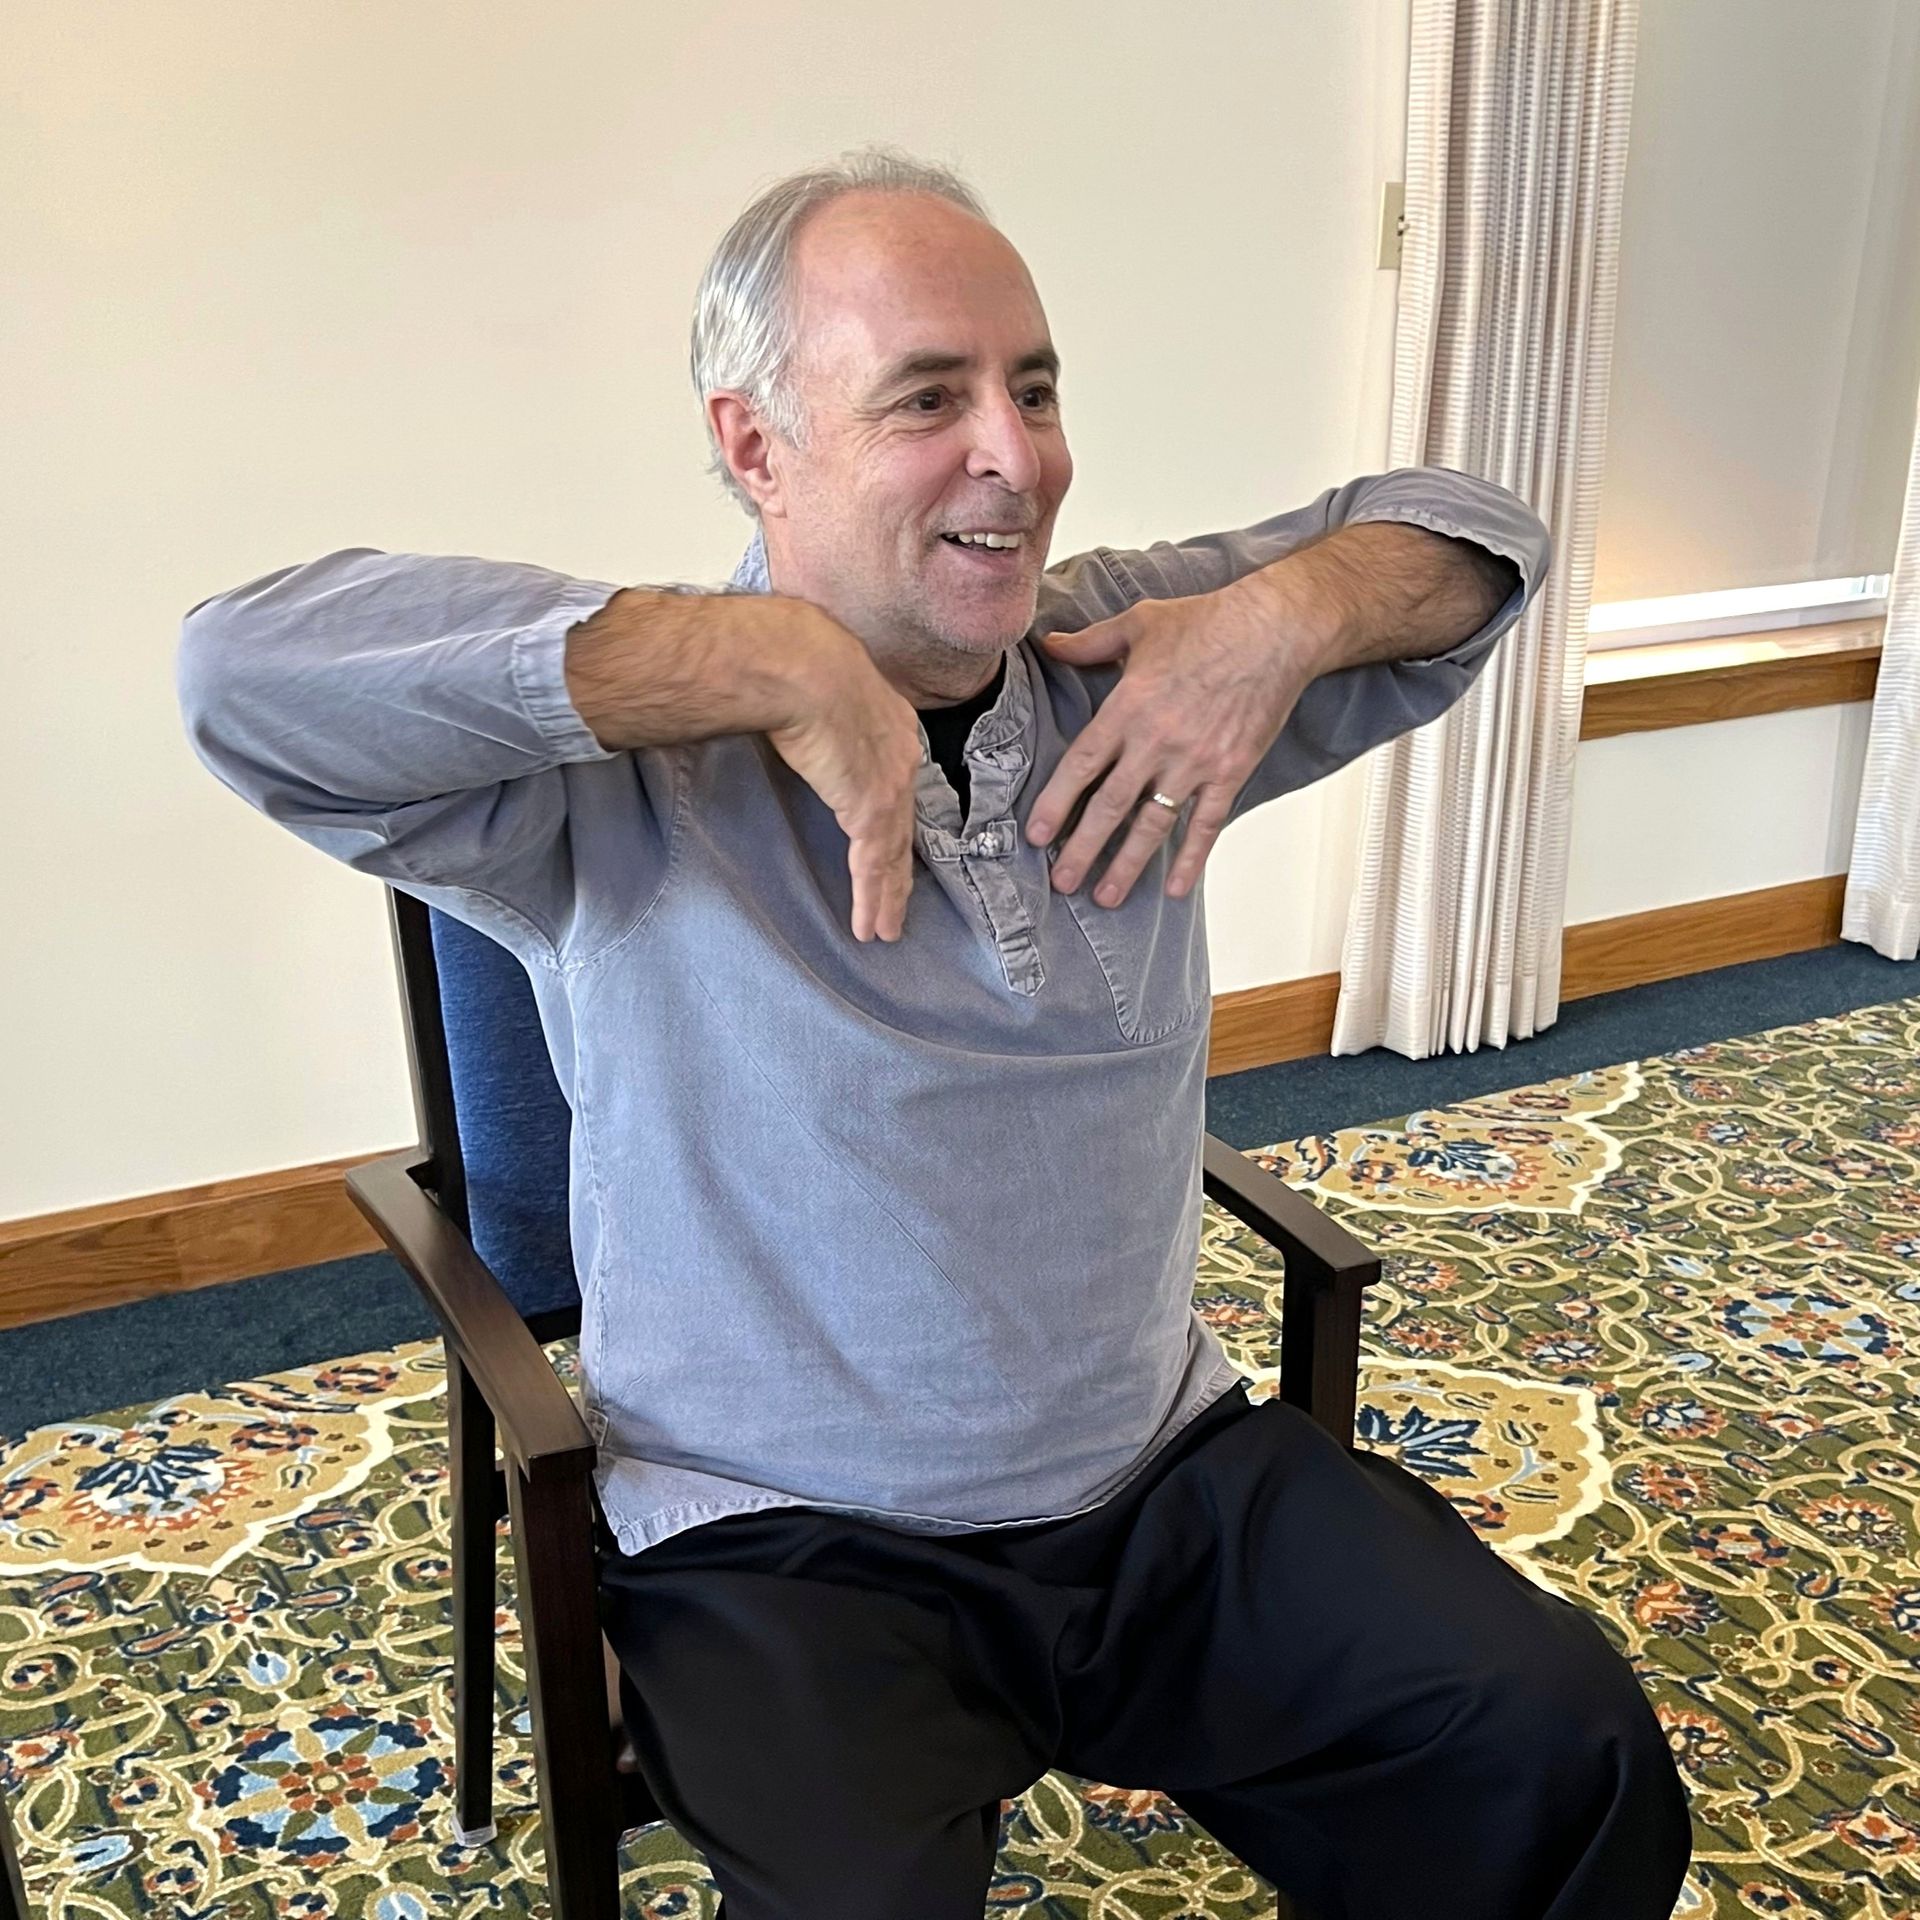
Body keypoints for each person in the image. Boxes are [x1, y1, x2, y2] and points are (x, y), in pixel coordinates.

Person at [178, 148, 1690, 1919]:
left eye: (1033, 388)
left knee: (1562, 1752)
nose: (1016, 455)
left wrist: (1279, 622)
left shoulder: (1129, 659)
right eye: (928, 398)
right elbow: (241, 676)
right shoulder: (609, 787)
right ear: (757, 447)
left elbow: (1480, 535)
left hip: (1161, 1481)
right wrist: (764, 666)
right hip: (787, 1542)